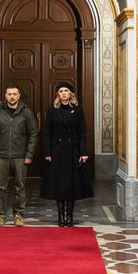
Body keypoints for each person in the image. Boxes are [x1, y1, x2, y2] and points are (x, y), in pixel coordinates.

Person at [40, 81, 93, 227]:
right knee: (59, 184)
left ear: (71, 94)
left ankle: (69, 216)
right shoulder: (52, 109)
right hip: (57, 151)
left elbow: (82, 131)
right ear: (58, 94)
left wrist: (83, 152)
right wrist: (47, 152)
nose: (63, 93)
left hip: (73, 151)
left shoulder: (77, 109)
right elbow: (47, 132)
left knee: (71, 184)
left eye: (66, 91)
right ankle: (60, 216)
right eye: (61, 91)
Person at [0, 84, 38, 227]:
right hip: (1, 155)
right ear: (5, 95)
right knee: (0, 187)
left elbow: (33, 134)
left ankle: (18, 215)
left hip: (20, 156)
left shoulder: (26, 112)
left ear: (19, 96)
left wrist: (29, 154)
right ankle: (1, 216)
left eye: (15, 94)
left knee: (20, 186)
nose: (12, 97)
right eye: (9, 94)